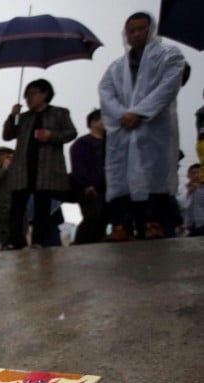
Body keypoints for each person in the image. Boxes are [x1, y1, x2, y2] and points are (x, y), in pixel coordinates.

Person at [99, 12, 185, 241]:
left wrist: (139, 112)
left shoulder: (170, 56)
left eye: (141, 29)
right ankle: (122, 225)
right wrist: (123, 115)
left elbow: (167, 88)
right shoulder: (116, 68)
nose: (136, 34)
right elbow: (105, 93)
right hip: (123, 128)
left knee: (155, 173)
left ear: (152, 29)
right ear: (125, 35)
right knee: (121, 176)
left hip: (154, 126)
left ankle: (154, 222)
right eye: (131, 30)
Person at [3, 79, 77, 248]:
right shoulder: (23, 118)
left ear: (45, 94)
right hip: (23, 167)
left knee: (42, 205)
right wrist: (12, 116)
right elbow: (7, 135)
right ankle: (16, 241)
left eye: (33, 94)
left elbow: (71, 132)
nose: (29, 99)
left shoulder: (59, 113)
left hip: (46, 167)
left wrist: (51, 135)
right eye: (26, 95)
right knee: (17, 205)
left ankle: (38, 241)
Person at [69, 109, 109, 244]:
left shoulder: (112, 143)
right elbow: (78, 168)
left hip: (110, 188)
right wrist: (86, 185)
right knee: (92, 218)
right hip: (90, 189)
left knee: (104, 219)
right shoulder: (82, 143)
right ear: (93, 122)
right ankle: (80, 245)